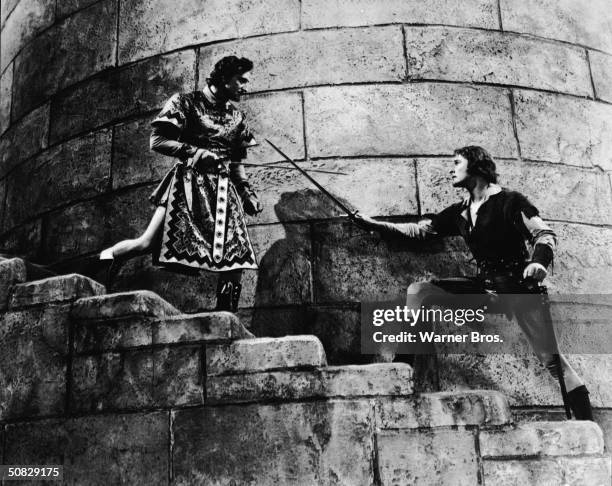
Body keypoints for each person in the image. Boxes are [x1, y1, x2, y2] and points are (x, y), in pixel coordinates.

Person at [354, 146, 594, 420]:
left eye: (457, 162)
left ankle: (588, 426)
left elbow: (543, 233)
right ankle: (400, 368)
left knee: (553, 362)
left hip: (520, 289)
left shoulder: (510, 201)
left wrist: (537, 262)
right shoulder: (461, 211)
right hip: (487, 288)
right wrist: (373, 224)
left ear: (477, 166)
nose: (451, 168)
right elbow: (420, 230)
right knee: (419, 291)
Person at [99, 56, 262, 311]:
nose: (245, 86)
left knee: (237, 255)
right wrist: (197, 153)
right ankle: (102, 263)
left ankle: (225, 316)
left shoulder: (237, 118)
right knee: (146, 243)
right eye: (241, 80)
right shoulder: (185, 102)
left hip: (222, 191)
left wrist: (246, 191)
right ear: (224, 77)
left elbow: (236, 161)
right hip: (188, 186)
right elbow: (158, 141)